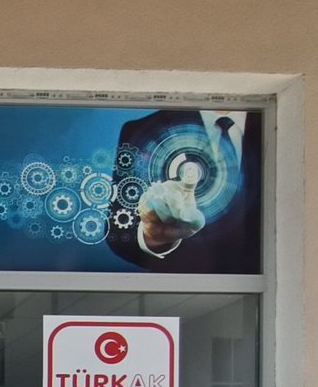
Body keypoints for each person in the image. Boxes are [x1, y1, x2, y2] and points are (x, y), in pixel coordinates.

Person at [107, 109, 261, 273]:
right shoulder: (143, 130)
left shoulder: (275, 123)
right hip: (181, 284)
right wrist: (152, 236)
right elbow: (120, 233)